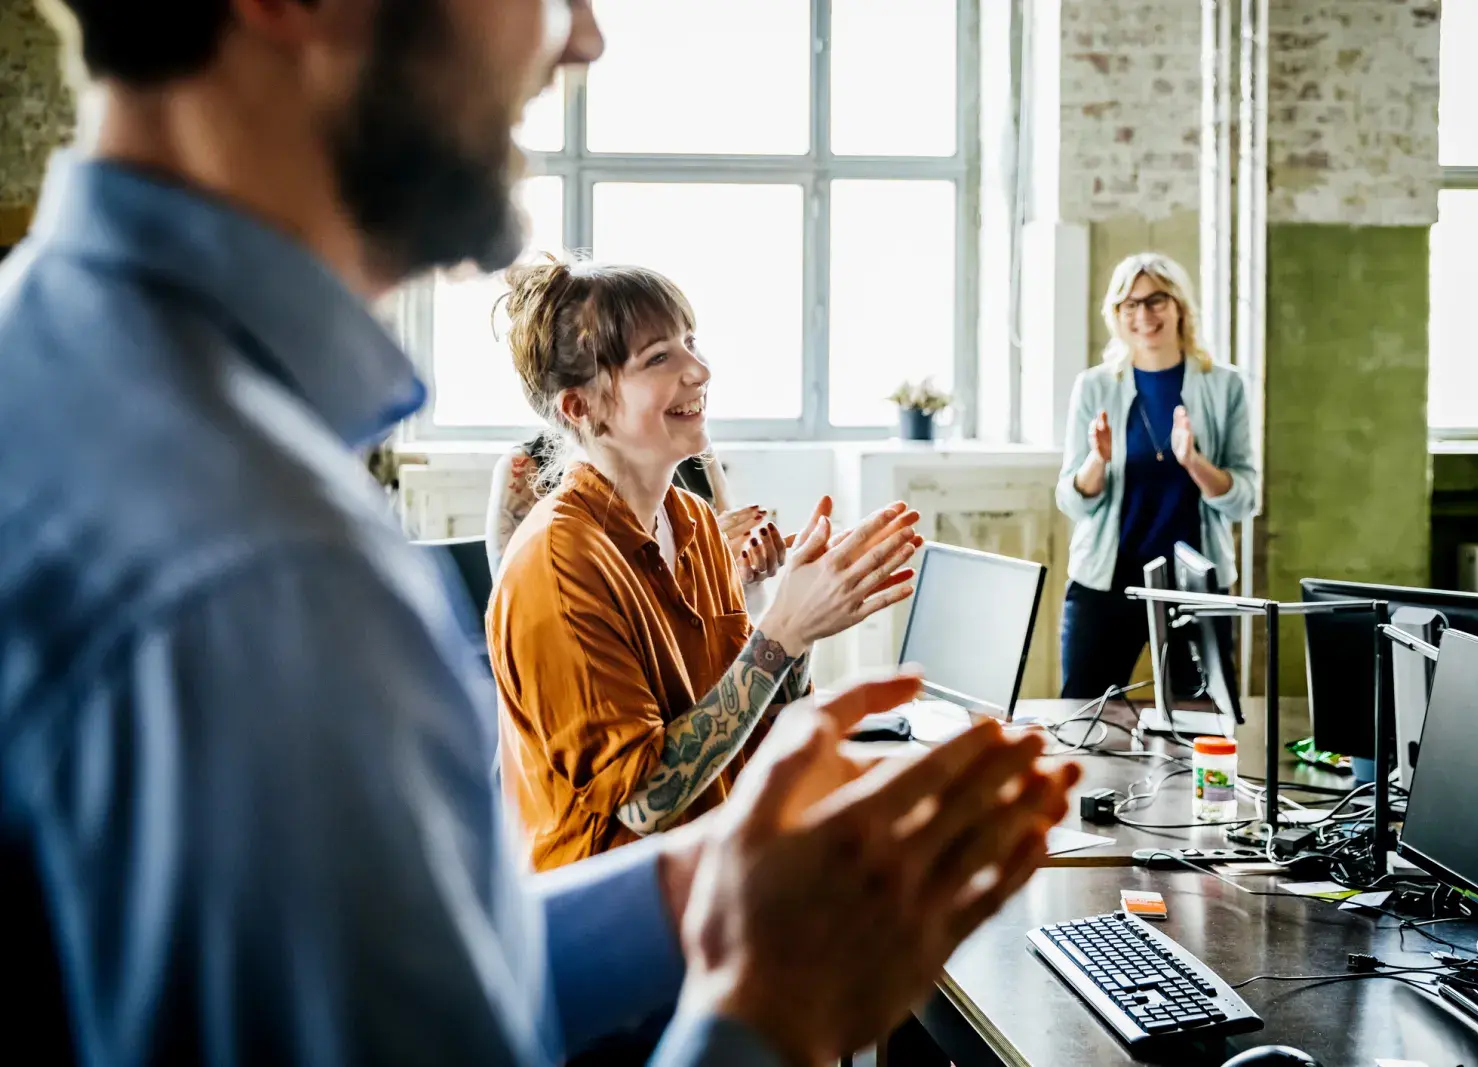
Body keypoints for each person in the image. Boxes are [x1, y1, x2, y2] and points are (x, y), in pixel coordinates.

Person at [0, 2, 1080, 1065]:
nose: (583, 36)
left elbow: (440, 978)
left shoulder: (77, 385)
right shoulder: (265, 565)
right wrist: (773, 1000)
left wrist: (698, 878)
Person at [488, 260, 921, 870]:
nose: (700, 371)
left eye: (690, 343)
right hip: (612, 925)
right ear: (581, 408)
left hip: (713, 883)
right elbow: (645, 801)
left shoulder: (693, 522)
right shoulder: (558, 564)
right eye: (658, 358)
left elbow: (764, 725)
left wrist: (802, 623)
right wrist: (782, 632)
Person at [1054, 252, 1259, 699]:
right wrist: (1098, 460)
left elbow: (1246, 498)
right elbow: (1071, 500)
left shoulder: (1226, 386)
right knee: (1082, 716)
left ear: (1180, 306)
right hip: (1106, 580)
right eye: (1130, 304)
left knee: (1204, 723)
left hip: (1196, 586)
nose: (1143, 315)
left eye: (1155, 301)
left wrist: (1195, 463)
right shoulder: (1094, 386)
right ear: (1116, 315)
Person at [486, 435, 783, 612]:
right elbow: (526, 610)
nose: (697, 373)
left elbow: (740, 604)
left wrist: (744, 578)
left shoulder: (695, 451)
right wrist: (697, 564)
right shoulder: (525, 468)